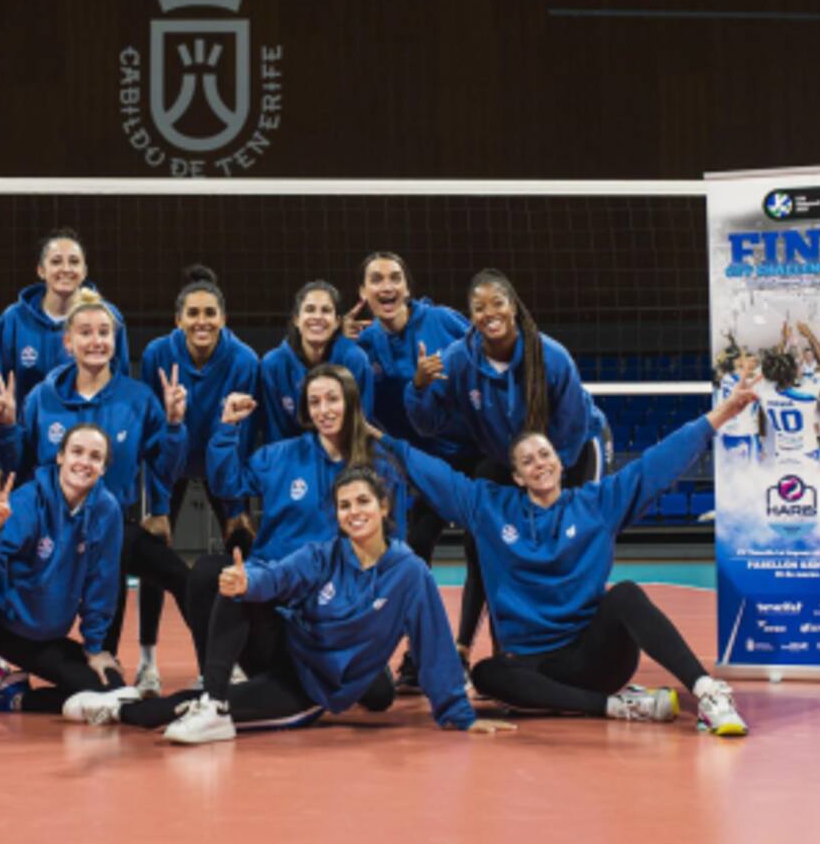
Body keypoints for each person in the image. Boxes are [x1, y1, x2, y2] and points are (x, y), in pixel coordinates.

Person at [382, 379, 758, 736]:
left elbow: (658, 463)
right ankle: (616, 707)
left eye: (545, 454)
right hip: (531, 665)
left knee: (626, 594)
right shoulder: (488, 507)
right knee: (486, 675)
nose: (539, 464)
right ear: (517, 477)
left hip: (592, 658)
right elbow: (435, 474)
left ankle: (708, 692)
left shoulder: (597, 504)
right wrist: (379, 439)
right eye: (527, 461)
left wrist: (723, 413)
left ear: (560, 463)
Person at [62, 466, 516, 743]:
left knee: (177, 709)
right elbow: (278, 577)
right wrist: (247, 580)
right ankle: (214, 704)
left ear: (383, 507)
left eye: (362, 501)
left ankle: (119, 707)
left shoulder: (409, 573)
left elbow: (434, 645)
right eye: (344, 505)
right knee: (237, 586)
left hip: (311, 690)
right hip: (287, 650)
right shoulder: (325, 554)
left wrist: (458, 715)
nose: (354, 512)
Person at [403, 268, 610, 677]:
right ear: (471, 315)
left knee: (573, 541)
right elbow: (427, 425)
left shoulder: (550, 357)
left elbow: (570, 429)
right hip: (510, 457)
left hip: (571, 452)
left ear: (513, 307)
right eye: (478, 307)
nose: (489, 313)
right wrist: (419, 386)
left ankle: (579, 640)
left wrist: (544, 486)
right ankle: (479, 646)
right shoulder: (459, 359)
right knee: (490, 542)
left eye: (497, 303)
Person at [0, 288, 193, 667]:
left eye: (104, 332)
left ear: (115, 341)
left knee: (185, 579)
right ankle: (1, 663)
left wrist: (174, 425)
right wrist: (6, 429)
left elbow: (166, 467)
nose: (96, 341)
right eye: (85, 333)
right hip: (52, 529)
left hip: (112, 524)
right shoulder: (42, 398)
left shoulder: (138, 399)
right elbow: (20, 465)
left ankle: (213, 674)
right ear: (68, 343)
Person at [189, 363, 409, 671]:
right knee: (205, 573)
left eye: (332, 399)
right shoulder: (279, 456)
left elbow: (394, 547)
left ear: (350, 402)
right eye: (314, 402)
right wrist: (227, 429)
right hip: (273, 588)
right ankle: (213, 678)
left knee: (374, 692)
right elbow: (227, 484)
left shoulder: (380, 466)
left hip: (332, 601)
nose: (324, 410)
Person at [343, 251, 478, 691]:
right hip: (419, 464)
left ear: (407, 287)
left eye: (395, 278)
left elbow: (485, 350)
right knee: (413, 550)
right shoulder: (362, 346)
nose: (387, 286)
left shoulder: (443, 321)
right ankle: (419, 656)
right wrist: (337, 342)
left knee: (482, 550)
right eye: (376, 279)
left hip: (471, 454)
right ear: (363, 292)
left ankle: (464, 650)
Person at [0, 424, 140, 720]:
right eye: (76, 452)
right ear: (60, 456)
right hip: (4, 625)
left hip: (45, 637)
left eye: (95, 457)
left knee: (110, 689)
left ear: (103, 468)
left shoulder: (107, 511)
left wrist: (95, 648)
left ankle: (14, 698)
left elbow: (103, 582)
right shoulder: (27, 500)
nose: (84, 462)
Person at [136, 265, 259, 695]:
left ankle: (238, 659)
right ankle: (147, 661)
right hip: (171, 457)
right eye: (193, 313)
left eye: (210, 313)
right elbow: (152, 431)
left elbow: (244, 436)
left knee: (240, 549)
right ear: (178, 319)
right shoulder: (157, 354)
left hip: (220, 460)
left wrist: (236, 506)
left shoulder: (244, 360)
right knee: (152, 555)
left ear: (223, 318)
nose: (201, 321)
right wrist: (156, 505)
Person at [0, 227, 129, 463]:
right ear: (41, 270)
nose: (66, 269)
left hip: (87, 453)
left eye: (74, 262)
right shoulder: (13, 320)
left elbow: (121, 386)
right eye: (56, 261)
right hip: (26, 450)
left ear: (84, 271)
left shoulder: (108, 317)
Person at [260, 280, 374, 443]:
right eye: (310, 309)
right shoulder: (272, 365)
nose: (317, 317)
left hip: (343, 452)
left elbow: (360, 424)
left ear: (337, 322)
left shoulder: (355, 360)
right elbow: (274, 432)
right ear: (296, 320)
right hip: (292, 454)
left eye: (326, 310)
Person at [757, 322, 820, 463]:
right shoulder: (808, 393)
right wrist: (809, 335)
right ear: (794, 372)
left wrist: (784, 340)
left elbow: (771, 368)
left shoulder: (765, 393)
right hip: (808, 456)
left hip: (782, 456)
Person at [713, 335, 760, 462]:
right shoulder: (746, 382)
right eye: (742, 358)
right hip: (745, 432)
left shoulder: (723, 378)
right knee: (750, 469)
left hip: (726, 432)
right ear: (737, 362)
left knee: (733, 467)